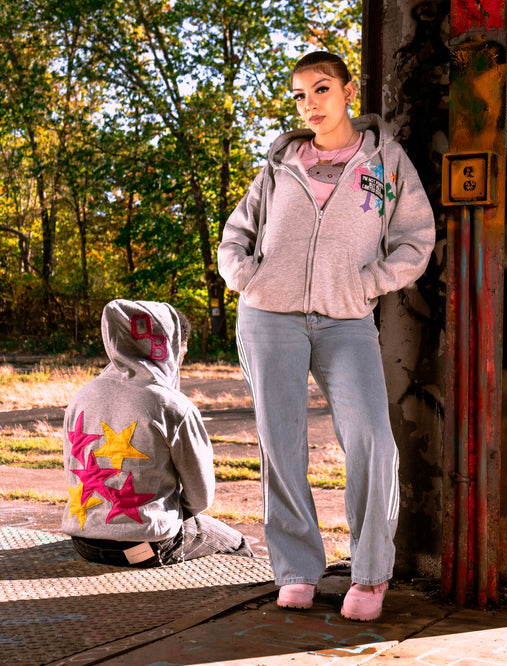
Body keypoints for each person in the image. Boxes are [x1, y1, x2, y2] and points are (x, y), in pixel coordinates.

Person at [218, 51, 435, 620]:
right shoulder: (280, 164)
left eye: (320, 89)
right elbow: (236, 234)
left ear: (347, 91)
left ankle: (370, 573)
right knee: (281, 444)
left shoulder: (386, 163)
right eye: (299, 95)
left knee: (372, 439)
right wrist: (248, 277)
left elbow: (416, 239)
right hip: (269, 316)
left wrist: (367, 284)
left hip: (346, 319)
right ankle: (296, 570)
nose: (309, 104)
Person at [62, 299, 253, 567]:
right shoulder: (173, 405)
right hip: (148, 547)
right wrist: (163, 515)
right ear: (169, 349)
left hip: (84, 543)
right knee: (237, 544)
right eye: (182, 354)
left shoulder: (81, 397)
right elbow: (201, 497)